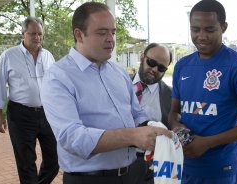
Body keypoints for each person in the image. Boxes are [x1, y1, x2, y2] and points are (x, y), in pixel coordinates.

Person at [40, 2, 171, 184]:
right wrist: (133, 136)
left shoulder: (118, 72)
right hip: (89, 179)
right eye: (102, 32)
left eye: (113, 32)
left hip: (133, 174)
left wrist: (152, 127)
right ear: (79, 34)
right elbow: (72, 137)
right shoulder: (58, 77)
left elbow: (136, 114)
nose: (111, 39)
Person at [168, 0, 237, 183]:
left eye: (209, 30)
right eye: (195, 29)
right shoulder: (182, 66)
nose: (201, 36)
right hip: (184, 166)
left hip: (222, 169)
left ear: (224, 27)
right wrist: (178, 128)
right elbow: (174, 112)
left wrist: (207, 143)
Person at [0, 17, 59, 184]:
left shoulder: (48, 56)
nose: (37, 37)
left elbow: (56, 84)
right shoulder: (9, 56)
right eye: (32, 34)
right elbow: (0, 86)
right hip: (20, 115)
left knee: (55, 159)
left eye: (40, 34)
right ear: (23, 34)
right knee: (26, 163)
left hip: (47, 114)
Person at [128, 43, 173, 184]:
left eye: (161, 68)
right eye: (151, 62)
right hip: (117, 163)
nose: (154, 69)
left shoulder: (171, 96)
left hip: (151, 167)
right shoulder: (119, 83)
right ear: (142, 57)